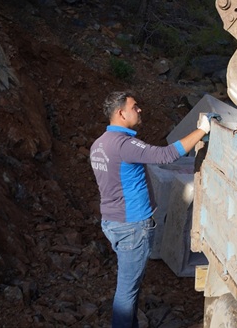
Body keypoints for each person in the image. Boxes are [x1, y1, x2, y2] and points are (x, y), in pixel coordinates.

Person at [90, 92, 220, 328]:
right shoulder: (124, 144)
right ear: (121, 113)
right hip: (132, 228)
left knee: (130, 286)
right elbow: (166, 155)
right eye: (134, 107)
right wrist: (202, 129)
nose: (139, 110)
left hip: (113, 222)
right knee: (126, 292)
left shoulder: (99, 144)